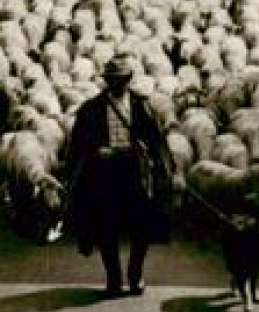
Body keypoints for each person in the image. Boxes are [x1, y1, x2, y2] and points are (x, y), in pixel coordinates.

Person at [64, 54, 176, 298]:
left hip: (135, 170)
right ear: (107, 81)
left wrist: (168, 170)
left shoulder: (142, 105)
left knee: (141, 226)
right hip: (103, 173)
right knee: (107, 227)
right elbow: (77, 144)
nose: (117, 84)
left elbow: (157, 140)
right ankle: (113, 278)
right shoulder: (91, 109)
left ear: (129, 79)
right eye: (112, 80)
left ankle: (135, 274)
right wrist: (95, 151)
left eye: (121, 79)